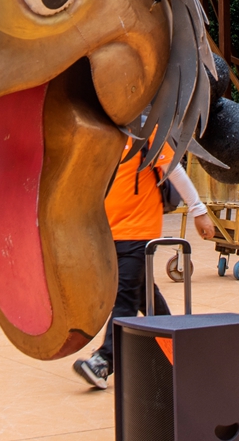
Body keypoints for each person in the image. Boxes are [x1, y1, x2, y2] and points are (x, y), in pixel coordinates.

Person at [72, 139, 217, 390]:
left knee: (125, 295)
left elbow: (174, 169)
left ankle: (104, 361)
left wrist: (199, 211)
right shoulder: (106, 133)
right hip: (109, 231)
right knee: (143, 294)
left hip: (139, 230)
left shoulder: (147, 131)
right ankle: (177, 349)